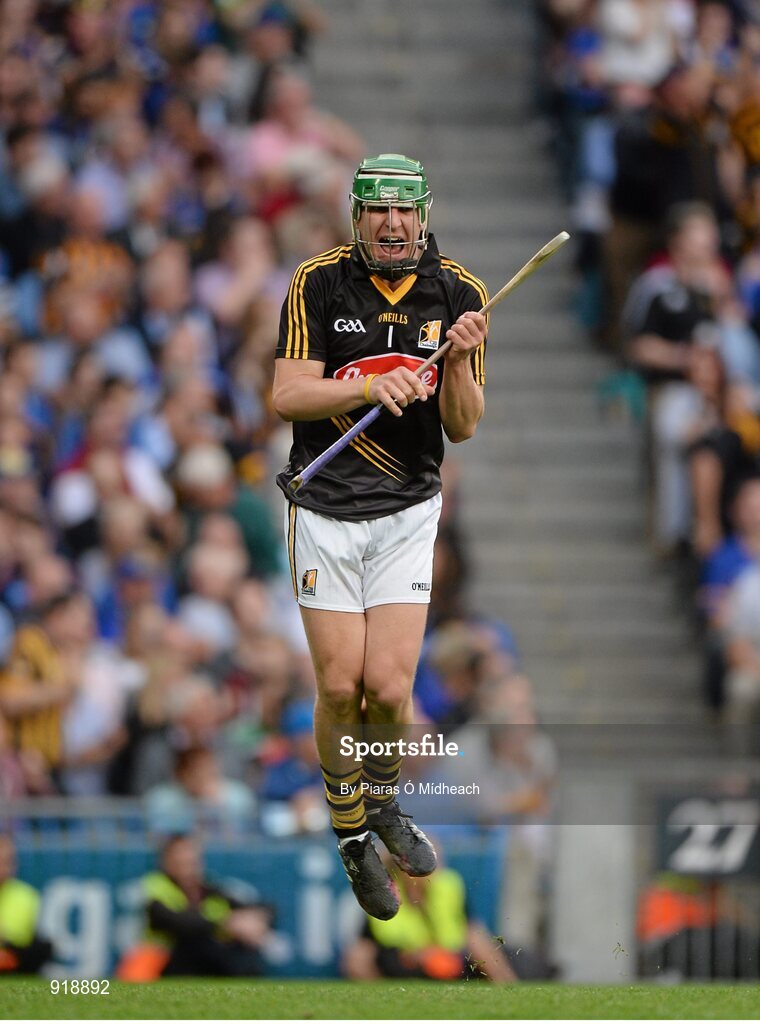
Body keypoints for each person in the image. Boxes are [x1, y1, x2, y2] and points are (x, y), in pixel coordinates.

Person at [272, 154, 488, 920]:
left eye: (405, 210)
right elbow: (287, 393)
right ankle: (351, 831)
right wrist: (367, 383)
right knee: (340, 685)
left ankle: (386, 802)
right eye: (377, 211)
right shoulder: (318, 282)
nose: (393, 224)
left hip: (405, 511)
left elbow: (461, 425)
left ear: (423, 214)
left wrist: (457, 361)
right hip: (325, 508)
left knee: (389, 689)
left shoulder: (458, 292)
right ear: (356, 217)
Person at [127, 834, 273, 979]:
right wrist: (228, 924)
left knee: (243, 946)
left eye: (192, 860)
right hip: (164, 962)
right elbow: (174, 921)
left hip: (207, 962)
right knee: (196, 940)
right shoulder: (155, 886)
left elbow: (262, 907)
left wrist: (254, 920)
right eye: (181, 860)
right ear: (166, 861)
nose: (188, 864)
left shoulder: (209, 889)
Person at [0, 834, 52, 974]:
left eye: (8, 861)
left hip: (13, 956)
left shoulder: (27, 895)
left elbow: (25, 940)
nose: (4, 868)